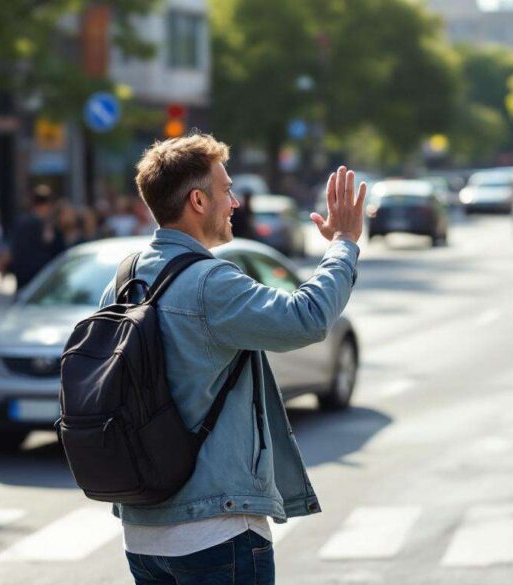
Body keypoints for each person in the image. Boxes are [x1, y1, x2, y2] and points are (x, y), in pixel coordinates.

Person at [96, 134, 364, 584]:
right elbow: (307, 317)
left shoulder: (124, 279)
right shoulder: (210, 282)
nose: (235, 202)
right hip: (215, 531)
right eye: (226, 190)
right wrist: (344, 243)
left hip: (143, 533)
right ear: (197, 200)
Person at [7, 185, 63, 291]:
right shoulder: (43, 225)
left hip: (21, 272)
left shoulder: (20, 222)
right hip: (39, 275)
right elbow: (49, 242)